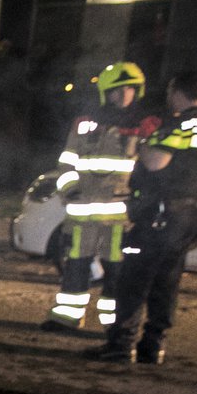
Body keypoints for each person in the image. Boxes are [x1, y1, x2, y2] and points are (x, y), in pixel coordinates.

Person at [85, 71, 197, 364]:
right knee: (166, 284)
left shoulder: (178, 126)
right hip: (187, 216)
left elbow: (155, 161)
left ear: (178, 92)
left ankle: (120, 346)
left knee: (133, 281)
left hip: (158, 217)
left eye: (171, 92)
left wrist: (145, 144)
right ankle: (153, 346)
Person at [41, 61, 160, 332]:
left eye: (130, 89)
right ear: (107, 92)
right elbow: (67, 160)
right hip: (82, 212)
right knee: (76, 266)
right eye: (119, 89)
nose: (125, 94)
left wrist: (141, 202)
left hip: (120, 216)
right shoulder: (85, 123)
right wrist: (69, 189)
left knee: (117, 271)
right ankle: (68, 318)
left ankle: (114, 325)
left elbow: (148, 168)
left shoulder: (145, 126)